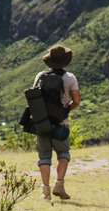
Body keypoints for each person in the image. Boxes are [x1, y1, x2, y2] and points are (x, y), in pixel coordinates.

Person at [32, 45, 81, 200]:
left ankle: (45, 191)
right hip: (61, 123)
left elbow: (34, 98)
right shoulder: (70, 78)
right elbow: (77, 101)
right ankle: (59, 184)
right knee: (63, 154)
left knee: (44, 156)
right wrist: (65, 110)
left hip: (42, 123)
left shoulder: (40, 76)